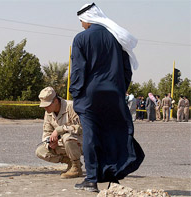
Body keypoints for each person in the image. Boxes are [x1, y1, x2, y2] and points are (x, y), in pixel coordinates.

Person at [69, 3, 144, 192]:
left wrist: (75, 93)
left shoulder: (81, 38)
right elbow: (127, 70)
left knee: (91, 135)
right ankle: (113, 177)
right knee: (113, 132)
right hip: (114, 95)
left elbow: (78, 70)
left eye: (81, 21)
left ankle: (91, 179)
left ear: (88, 18)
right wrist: (119, 89)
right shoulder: (117, 37)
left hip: (90, 96)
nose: (81, 24)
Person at [36, 87, 83, 179]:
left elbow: (81, 128)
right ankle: (70, 163)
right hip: (63, 143)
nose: (45, 108)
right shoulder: (48, 112)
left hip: (81, 141)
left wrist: (59, 130)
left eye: (47, 105)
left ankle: (77, 168)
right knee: (40, 151)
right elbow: (46, 132)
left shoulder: (72, 107)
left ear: (56, 101)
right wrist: (49, 142)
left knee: (67, 138)